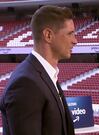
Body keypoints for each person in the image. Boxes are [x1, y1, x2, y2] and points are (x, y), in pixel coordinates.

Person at [0, 5, 77, 135]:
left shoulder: (45, 74)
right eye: (70, 34)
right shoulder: (26, 84)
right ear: (48, 35)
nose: (75, 41)